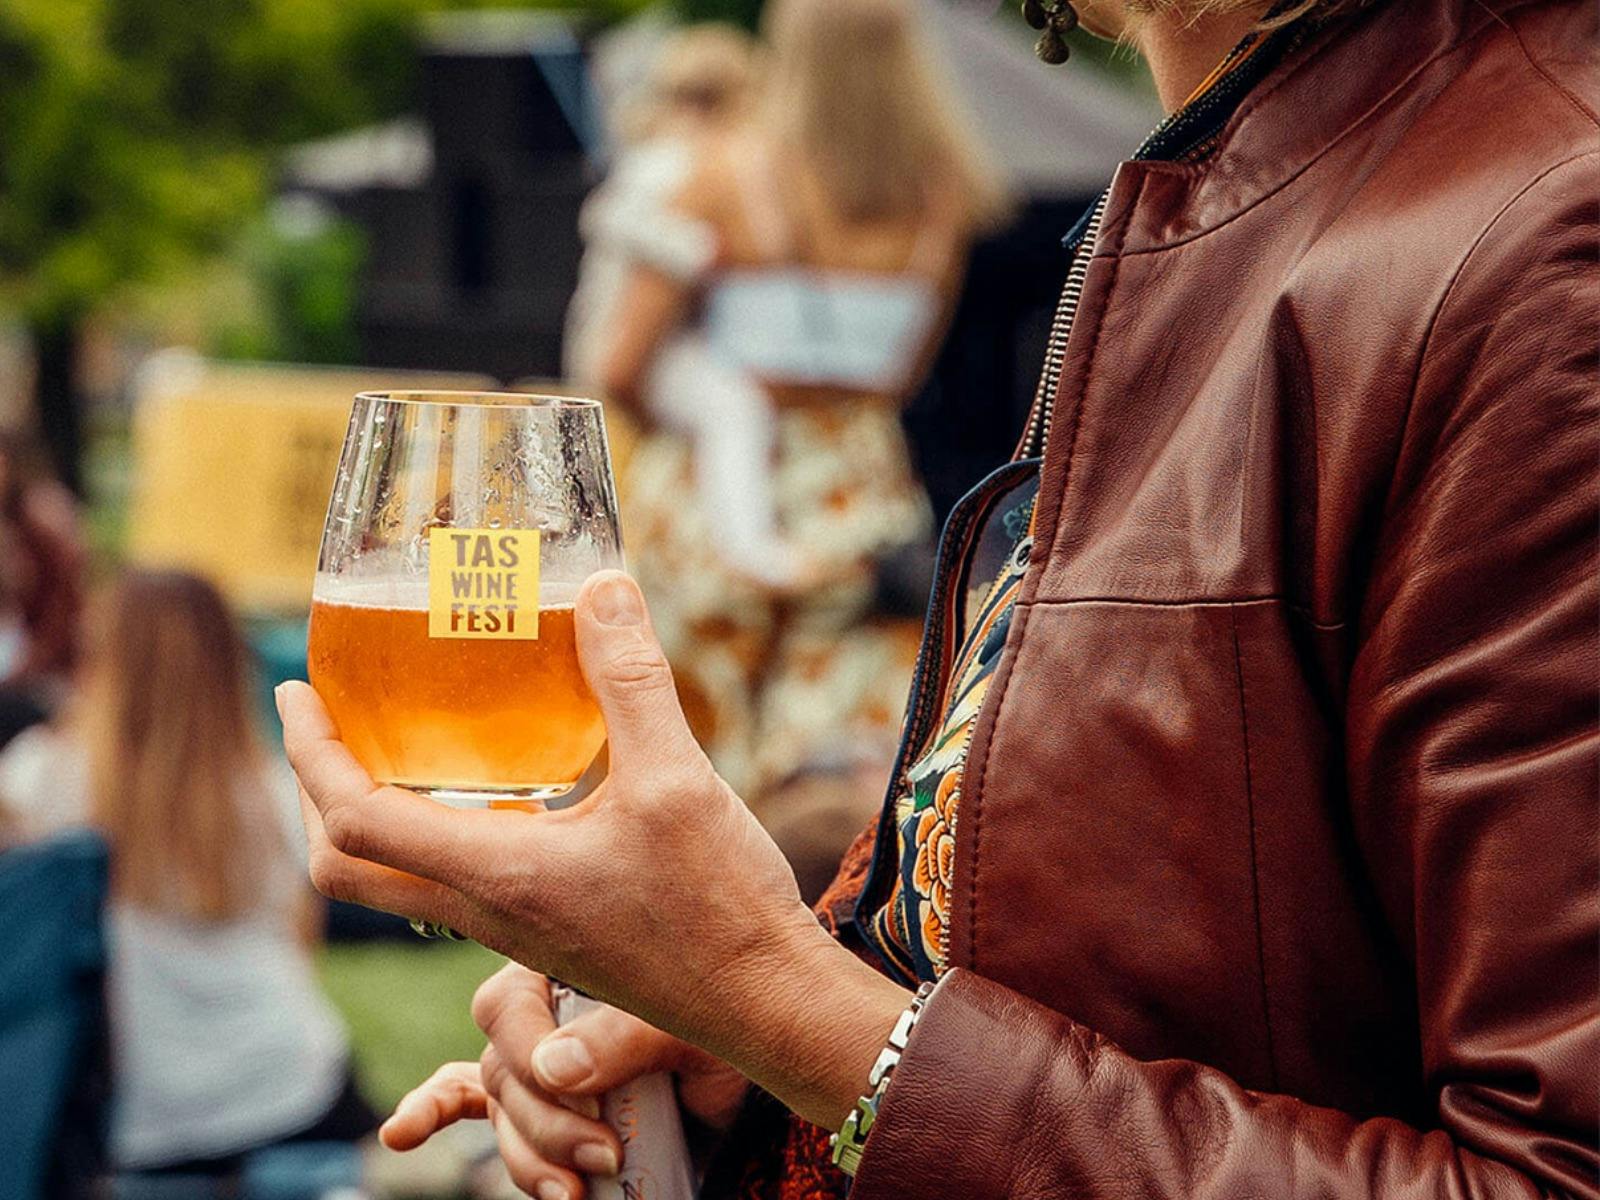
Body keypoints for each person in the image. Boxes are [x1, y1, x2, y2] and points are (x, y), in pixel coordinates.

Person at [279, 0, 1598, 1198]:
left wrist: (777, 1003)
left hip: (727, 499)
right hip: (848, 489)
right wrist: (743, 1054)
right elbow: (1178, 962)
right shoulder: (1225, 205)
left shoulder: (1536, 253)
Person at [590, 0, 1007, 799]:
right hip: (858, 492)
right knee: (832, 770)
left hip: (715, 492)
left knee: (690, 754)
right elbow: (902, 374)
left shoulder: (723, 176)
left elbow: (620, 363)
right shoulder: (943, 193)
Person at [0, 570, 376, 1177]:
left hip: (145, 1120)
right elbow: (302, 944)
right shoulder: (277, 790)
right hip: (290, 1081)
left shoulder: (43, 781)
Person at [565, 26, 807, 588]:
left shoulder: (697, 158)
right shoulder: (670, 160)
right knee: (735, 408)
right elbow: (608, 218)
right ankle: (751, 549)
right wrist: (701, 250)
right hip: (619, 334)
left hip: (667, 341)